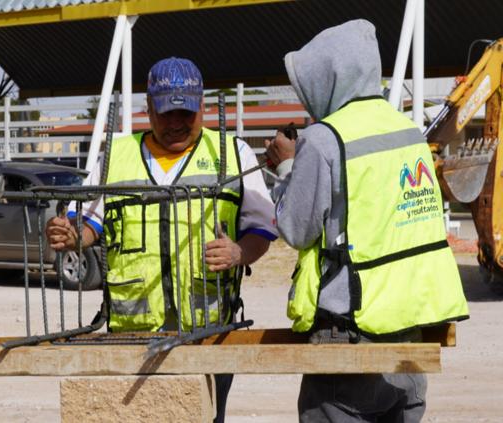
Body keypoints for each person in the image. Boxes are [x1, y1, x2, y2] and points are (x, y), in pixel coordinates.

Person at [46, 57, 277, 422]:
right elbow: (90, 223)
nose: (176, 123)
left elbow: (261, 229)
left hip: (207, 329)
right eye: (167, 113)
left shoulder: (232, 153)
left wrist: (238, 253)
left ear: (203, 107)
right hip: (132, 334)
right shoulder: (117, 156)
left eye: (186, 113)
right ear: (149, 109)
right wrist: (73, 236)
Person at [264, 20, 469, 422]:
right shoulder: (408, 133)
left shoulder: (324, 139)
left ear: (327, 79)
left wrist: (287, 166)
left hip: (348, 338)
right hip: (408, 335)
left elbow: (296, 229)